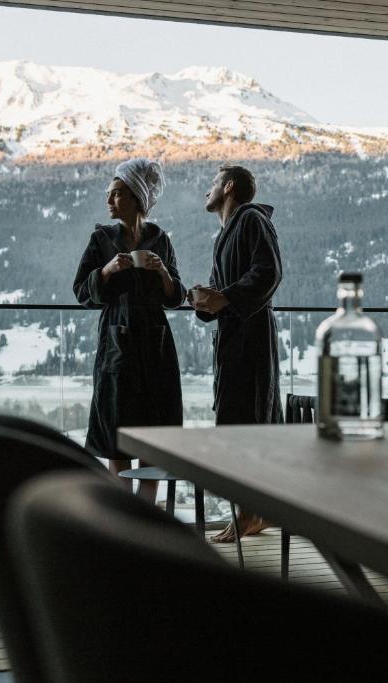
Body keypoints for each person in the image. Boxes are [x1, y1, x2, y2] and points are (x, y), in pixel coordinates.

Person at [74, 159, 186, 501]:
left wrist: (163, 273)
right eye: (108, 194)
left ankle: (146, 519)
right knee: (117, 440)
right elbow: (81, 291)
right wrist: (106, 271)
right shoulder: (101, 239)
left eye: (116, 194)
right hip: (116, 346)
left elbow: (176, 297)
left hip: (155, 347)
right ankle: (125, 522)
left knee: (153, 440)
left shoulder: (159, 239)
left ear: (137, 198)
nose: (109, 201)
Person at [191, 164, 283, 541]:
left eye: (212, 183)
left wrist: (225, 297)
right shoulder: (225, 235)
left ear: (229, 187)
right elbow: (223, 295)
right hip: (235, 340)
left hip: (251, 341)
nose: (206, 191)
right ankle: (251, 511)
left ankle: (250, 513)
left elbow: (269, 272)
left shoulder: (250, 220)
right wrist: (203, 301)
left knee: (247, 420)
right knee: (238, 418)